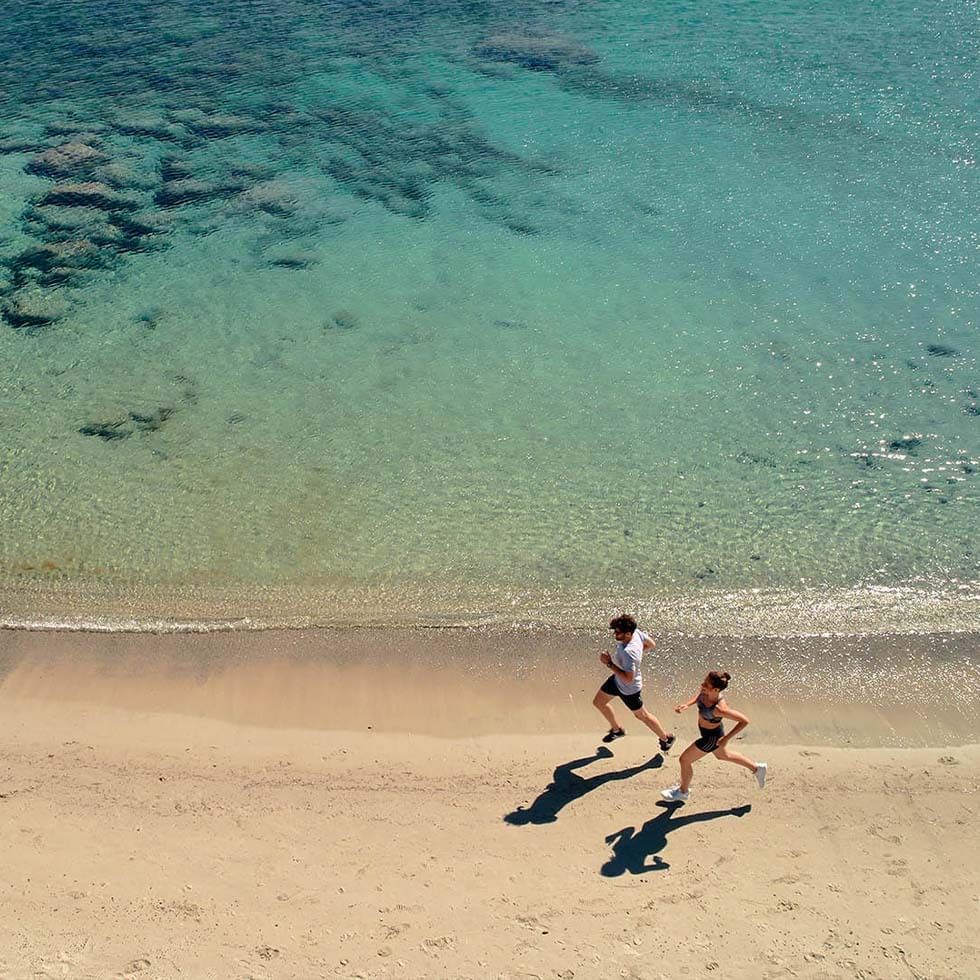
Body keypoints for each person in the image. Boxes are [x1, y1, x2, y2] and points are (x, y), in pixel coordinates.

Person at [661, 670, 767, 802]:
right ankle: (757, 769)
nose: (702, 685)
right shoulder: (706, 692)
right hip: (710, 732)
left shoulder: (719, 709)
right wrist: (687, 705)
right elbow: (699, 696)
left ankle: (683, 791)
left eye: (706, 684)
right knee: (723, 756)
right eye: (704, 681)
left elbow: (744, 721)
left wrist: (726, 739)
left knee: (684, 760)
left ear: (716, 690)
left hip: (710, 738)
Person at [593, 615, 675, 753]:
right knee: (599, 702)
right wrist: (637, 655)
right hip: (616, 680)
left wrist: (609, 663)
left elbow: (628, 679)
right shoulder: (636, 633)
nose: (615, 634)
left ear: (628, 633)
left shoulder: (629, 653)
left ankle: (666, 739)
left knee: (642, 716)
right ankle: (617, 729)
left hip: (629, 689)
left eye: (617, 632)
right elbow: (651, 644)